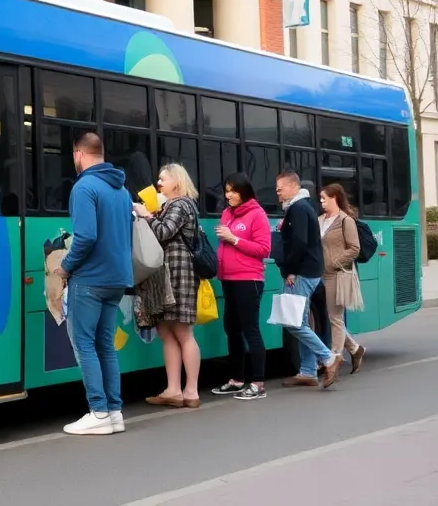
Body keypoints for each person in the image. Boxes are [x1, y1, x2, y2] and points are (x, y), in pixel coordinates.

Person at [52, 132, 133, 436]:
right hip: (117, 279)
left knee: (84, 344)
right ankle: (114, 412)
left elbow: (85, 236)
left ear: (79, 154)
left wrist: (65, 267)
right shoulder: (121, 190)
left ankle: (97, 411)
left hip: (90, 278)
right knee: (106, 346)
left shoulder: (84, 187)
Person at [133, 163, 202, 409]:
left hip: (178, 273)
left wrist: (146, 215)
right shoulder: (171, 205)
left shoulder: (180, 204)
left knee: (183, 332)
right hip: (167, 275)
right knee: (166, 332)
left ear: (176, 181)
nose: (158, 183)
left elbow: (163, 232)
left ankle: (190, 391)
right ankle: (173, 389)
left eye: (163, 179)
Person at [276, 170, 341, 389]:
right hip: (308, 271)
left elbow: (300, 244)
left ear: (293, 186)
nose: (277, 194)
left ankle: (328, 357)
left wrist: (290, 270)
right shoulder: (301, 207)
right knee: (300, 321)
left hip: (302, 272)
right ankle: (307, 370)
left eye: (280, 188)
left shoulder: (298, 208)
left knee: (292, 322)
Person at [211, 172, 272, 400]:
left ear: (244, 192)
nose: (228, 195)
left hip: (249, 280)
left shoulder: (257, 215)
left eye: (233, 191)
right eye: (226, 191)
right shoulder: (227, 213)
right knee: (232, 329)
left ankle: (258, 383)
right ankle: (237, 379)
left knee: (250, 330)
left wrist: (234, 239)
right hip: (229, 279)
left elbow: (263, 249)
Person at [318, 184, 367, 373]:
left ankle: (334, 358)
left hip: (338, 274)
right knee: (333, 317)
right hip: (322, 274)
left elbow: (354, 248)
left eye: (324, 198)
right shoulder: (320, 220)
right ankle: (355, 349)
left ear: (335, 198)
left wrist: (334, 262)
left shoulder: (346, 221)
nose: (321, 202)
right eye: (320, 199)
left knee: (335, 317)